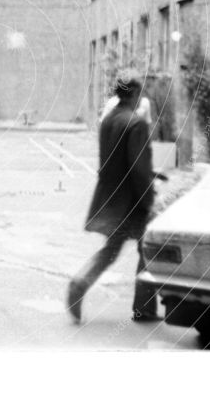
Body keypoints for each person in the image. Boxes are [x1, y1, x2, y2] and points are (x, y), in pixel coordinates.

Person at [67, 72, 158, 324]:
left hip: (110, 196)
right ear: (135, 95)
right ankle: (144, 308)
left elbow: (114, 159)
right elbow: (137, 169)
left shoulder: (109, 120)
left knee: (111, 250)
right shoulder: (136, 124)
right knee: (148, 249)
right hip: (132, 201)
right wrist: (149, 199)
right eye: (140, 94)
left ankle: (79, 282)